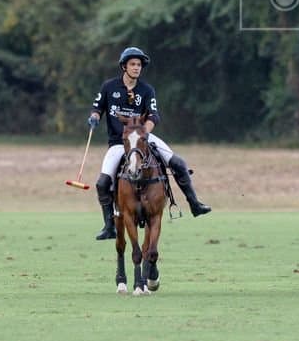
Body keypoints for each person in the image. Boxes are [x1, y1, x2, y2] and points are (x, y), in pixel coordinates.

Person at [88, 46, 211, 240]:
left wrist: (143, 133)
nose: (137, 68)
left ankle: (194, 204)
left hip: (143, 136)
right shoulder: (109, 87)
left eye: (139, 65)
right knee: (103, 182)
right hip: (119, 142)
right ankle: (109, 225)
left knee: (178, 163)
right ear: (124, 66)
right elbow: (97, 108)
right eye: (133, 64)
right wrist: (94, 117)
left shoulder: (146, 90)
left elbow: (154, 116)